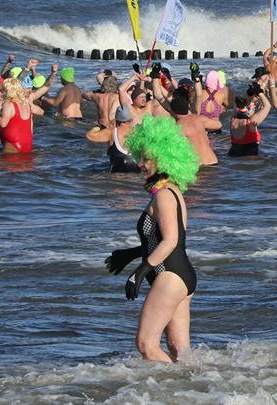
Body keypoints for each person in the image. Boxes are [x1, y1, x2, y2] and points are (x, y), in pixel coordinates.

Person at [105, 115, 200, 362]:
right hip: (181, 275)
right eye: (142, 157)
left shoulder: (164, 195)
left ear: (164, 157)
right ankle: (193, 383)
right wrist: (130, 254)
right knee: (179, 351)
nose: (142, 164)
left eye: (147, 159)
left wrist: (139, 271)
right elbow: (165, 240)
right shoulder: (173, 191)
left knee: (146, 345)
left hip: (170, 276)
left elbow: (170, 241)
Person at [0, 69, 54, 153]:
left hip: (11, 145)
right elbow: (41, 111)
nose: (2, 93)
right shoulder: (26, 103)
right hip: (27, 145)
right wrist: (53, 73)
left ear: (8, 90)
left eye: (3, 90)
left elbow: (3, 123)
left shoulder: (9, 104)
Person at [85, 105, 141, 173]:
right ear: (130, 119)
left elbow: (89, 136)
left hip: (118, 169)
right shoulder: (138, 132)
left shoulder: (112, 131)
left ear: (116, 119)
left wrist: (97, 127)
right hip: (136, 168)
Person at [228, 86, 271, 157]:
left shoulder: (232, 120)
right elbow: (268, 106)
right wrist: (260, 93)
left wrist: (249, 95)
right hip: (248, 156)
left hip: (233, 153)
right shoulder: (251, 122)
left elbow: (239, 105)